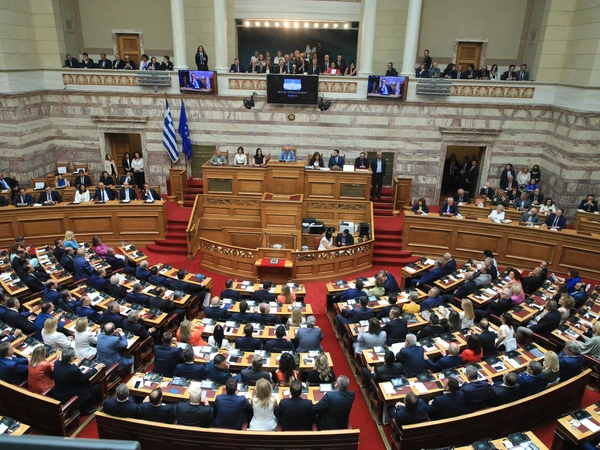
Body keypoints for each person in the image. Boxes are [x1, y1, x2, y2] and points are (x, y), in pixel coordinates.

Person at [53, 348, 104, 415]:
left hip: (59, 391)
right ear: (71, 358)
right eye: (74, 355)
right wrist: (96, 368)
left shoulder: (56, 363)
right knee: (96, 386)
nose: (75, 355)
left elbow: (66, 367)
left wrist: (77, 363)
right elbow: (85, 377)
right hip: (69, 394)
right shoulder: (73, 370)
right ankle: (85, 409)